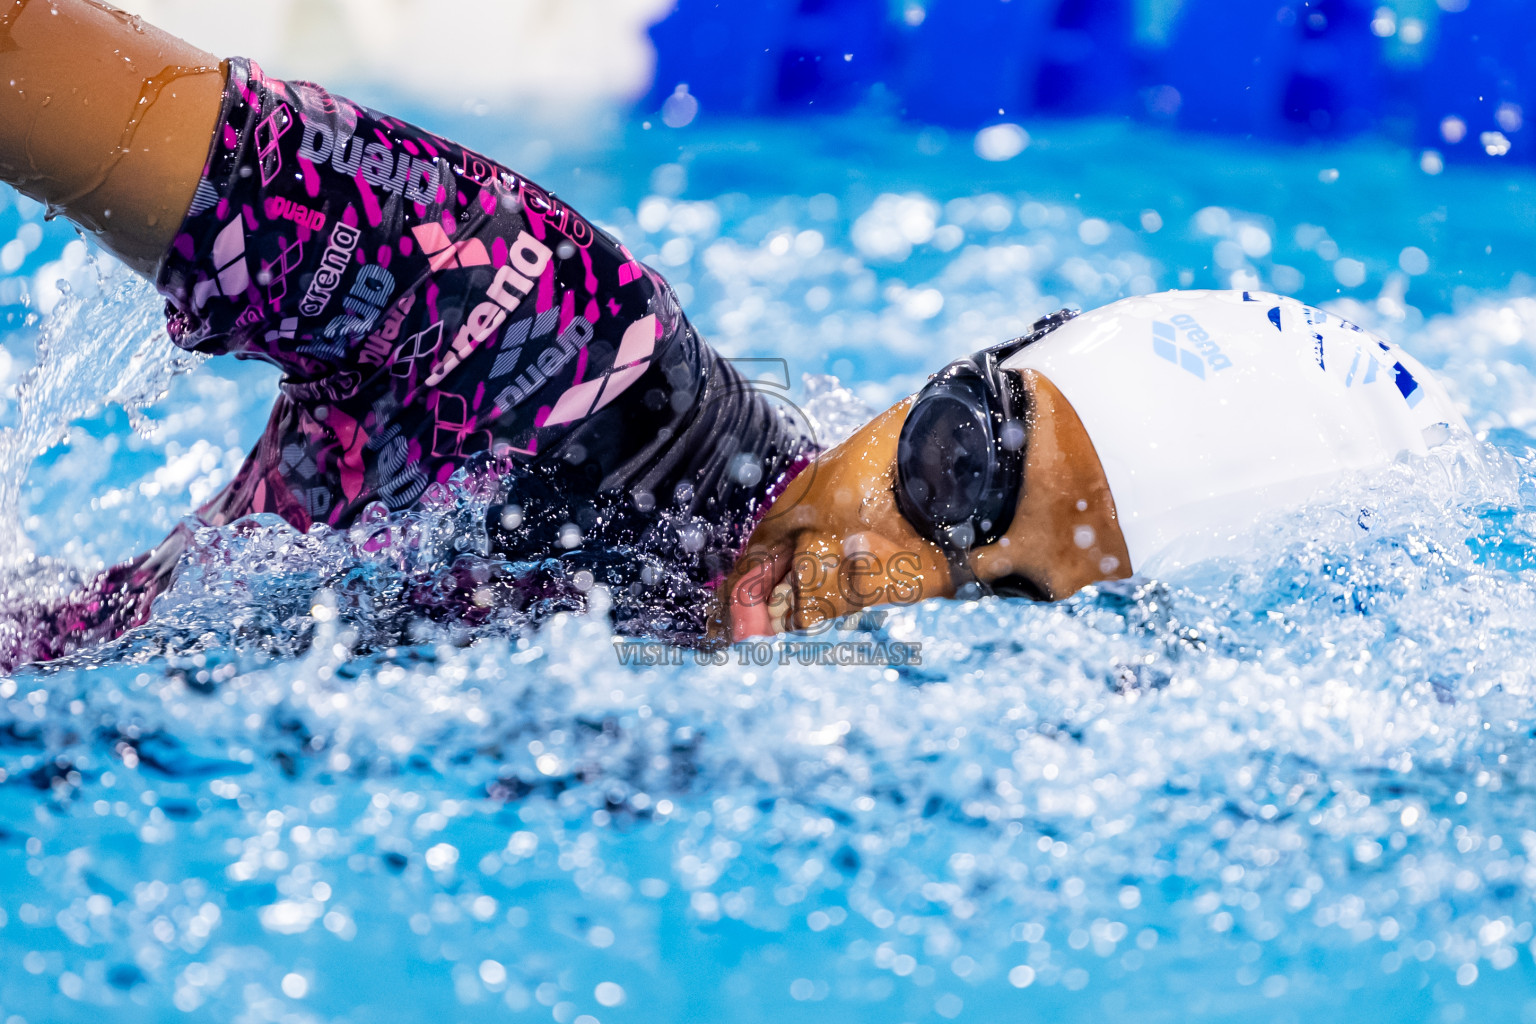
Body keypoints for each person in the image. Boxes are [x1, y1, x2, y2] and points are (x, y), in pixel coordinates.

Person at [0, 0, 1466, 666]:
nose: (886, 580)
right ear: (960, 374)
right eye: (957, 471)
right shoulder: (543, 339)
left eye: (1009, 608)